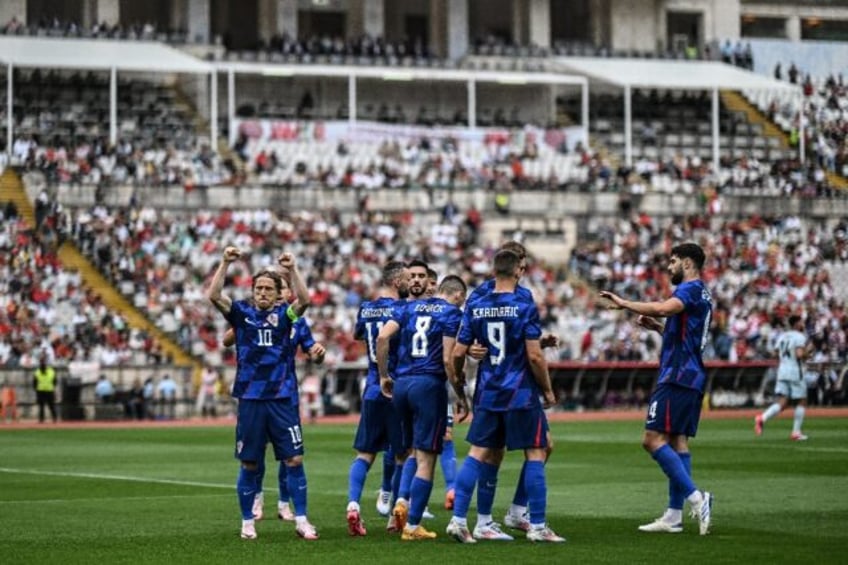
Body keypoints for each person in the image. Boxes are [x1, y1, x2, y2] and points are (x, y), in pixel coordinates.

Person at [446, 249, 564, 543]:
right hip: (520, 391)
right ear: (518, 271)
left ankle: (459, 520)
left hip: (488, 390)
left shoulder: (477, 303)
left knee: (477, 453)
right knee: (537, 451)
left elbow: (458, 352)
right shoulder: (524, 303)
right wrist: (548, 390)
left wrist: (459, 378)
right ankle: (536, 525)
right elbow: (534, 356)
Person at [599, 242, 713, 536]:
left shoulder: (688, 291)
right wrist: (659, 329)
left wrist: (624, 303)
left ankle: (697, 498)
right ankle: (674, 516)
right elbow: (686, 335)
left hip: (677, 375)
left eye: (673, 261)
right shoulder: (703, 293)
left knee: (651, 439)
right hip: (691, 372)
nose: (669, 266)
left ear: (688, 263)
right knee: (678, 442)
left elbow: (664, 308)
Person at [207, 246, 317, 541]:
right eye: (259, 288)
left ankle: (302, 520)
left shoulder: (286, 315)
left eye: (269, 288)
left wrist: (293, 270)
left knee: (294, 460)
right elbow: (214, 296)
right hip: (251, 399)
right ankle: (247, 522)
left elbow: (305, 300)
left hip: (281, 399)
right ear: (252, 291)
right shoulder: (241, 314)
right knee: (250, 463)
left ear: (278, 291)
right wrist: (225, 263)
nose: (264, 293)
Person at [378, 274, 469, 541]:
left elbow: (383, 338)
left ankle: (401, 502)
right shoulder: (451, 313)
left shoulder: (407, 306)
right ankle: (413, 524)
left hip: (402, 384)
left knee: (410, 452)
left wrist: (384, 375)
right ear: (458, 296)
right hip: (428, 385)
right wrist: (460, 395)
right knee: (427, 458)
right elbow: (448, 359)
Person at [249, 274, 327, 525]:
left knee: (288, 453)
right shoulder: (254, 318)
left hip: (286, 395)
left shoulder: (297, 322)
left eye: (282, 289)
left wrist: (317, 354)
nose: (280, 293)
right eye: (276, 289)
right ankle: (257, 498)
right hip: (258, 394)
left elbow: (311, 351)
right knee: (257, 450)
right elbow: (230, 338)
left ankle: (284, 503)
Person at [345, 260, 409, 537]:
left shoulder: (367, 307)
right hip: (396, 385)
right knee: (403, 454)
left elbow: (358, 333)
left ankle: (352, 505)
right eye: (406, 279)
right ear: (397, 282)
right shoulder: (403, 309)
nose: (410, 283)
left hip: (371, 388)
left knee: (365, 454)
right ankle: (396, 513)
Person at [755, 315, 812, 441]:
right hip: (795, 371)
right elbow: (799, 354)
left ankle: (762, 418)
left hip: (782, 371)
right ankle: (796, 432)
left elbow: (775, 354)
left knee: (783, 401)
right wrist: (809, 351)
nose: (803, 324)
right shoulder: (799, 337)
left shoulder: (782, 336)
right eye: (801, 322)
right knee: (802, 400)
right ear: (796, 324)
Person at [33, 356, 58, 423]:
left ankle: (42, 419)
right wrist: (52, 387)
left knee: (42, 406)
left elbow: (34, 383)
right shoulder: (51, 371)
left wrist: (36, 389)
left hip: (41, 390)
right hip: (48, 390)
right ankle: (54, 418)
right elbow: (55, 381)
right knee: (51, 406)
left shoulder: (37, 372)